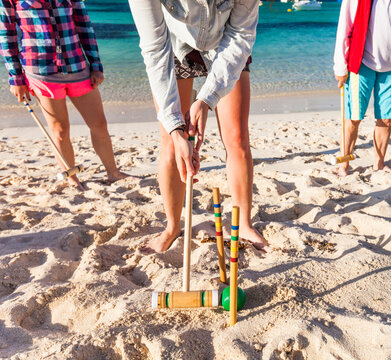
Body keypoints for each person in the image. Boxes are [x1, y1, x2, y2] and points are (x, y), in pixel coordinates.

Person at [129, 0, 270, 252]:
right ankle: (172, 226)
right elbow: (155, 50)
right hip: (173, 41)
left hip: (226, 41)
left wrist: (206, 99)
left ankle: (244, 225)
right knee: (172, 143)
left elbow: (241, 35)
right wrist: (175, 126)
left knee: (237, 137)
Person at [0, 0, 128, 187]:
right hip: (41, 71)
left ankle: (113, 173)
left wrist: (96, 65)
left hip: (78, 66)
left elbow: (85, 27)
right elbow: (7, 37)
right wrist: (16, 78)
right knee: (60, 130)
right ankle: (72, 179)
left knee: (99, 123)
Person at [334, 0, 391, 175]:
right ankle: (344, 162)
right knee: (353, 117)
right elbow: (345, 26)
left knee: (386, 119)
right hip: (361, 63)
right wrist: (340, 66)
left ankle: (379, 163)